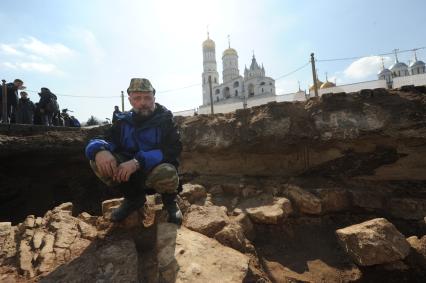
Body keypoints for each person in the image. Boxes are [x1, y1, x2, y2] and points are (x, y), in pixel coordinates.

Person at [85, 78, 183, 224]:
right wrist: (100, 150)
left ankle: (169, 202)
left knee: (167, 170)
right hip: (129, 177)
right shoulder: (123, 121)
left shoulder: (165, 121)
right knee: (97, 161)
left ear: (154, 99)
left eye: (147, 98)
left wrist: (138, 162)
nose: (143, 102)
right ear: (130, 100)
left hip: (154, 172)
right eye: (137, 98)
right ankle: (133, 199)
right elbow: (103, 138)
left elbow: (172, 149)